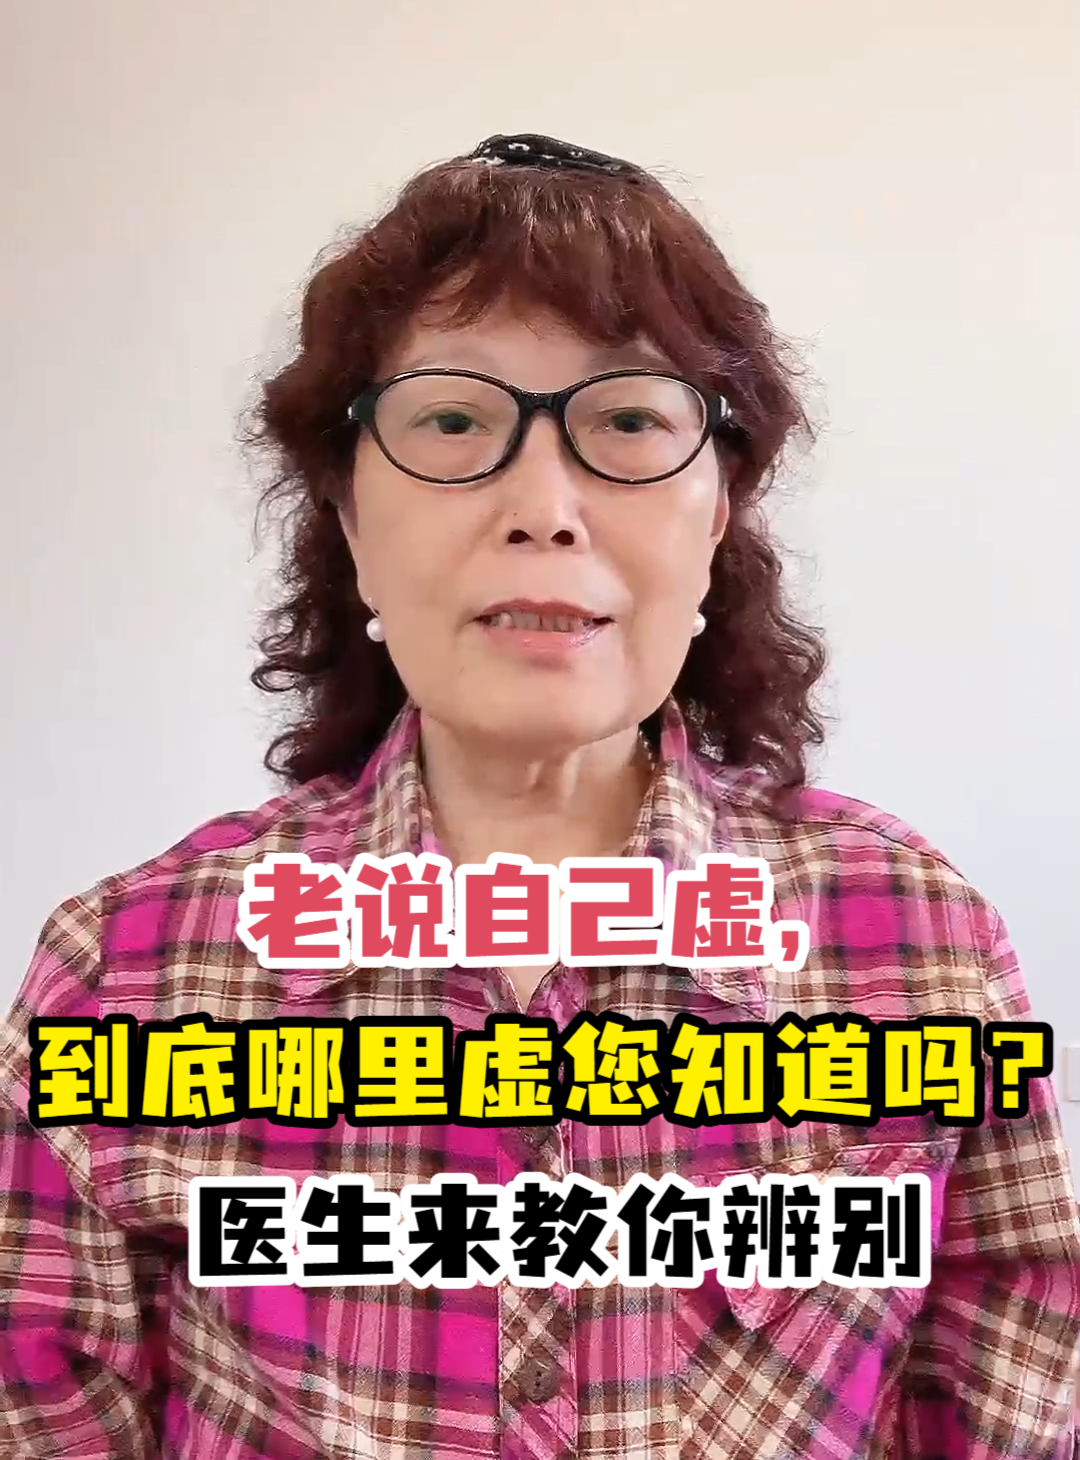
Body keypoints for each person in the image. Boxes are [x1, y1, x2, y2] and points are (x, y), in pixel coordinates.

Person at [1, 131, 1077, 1460]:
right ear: (348, 515)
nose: (546, 507)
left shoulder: (915, 940)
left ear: (719, 511)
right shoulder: (124, 972)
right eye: (453, 422)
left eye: (627, 422)